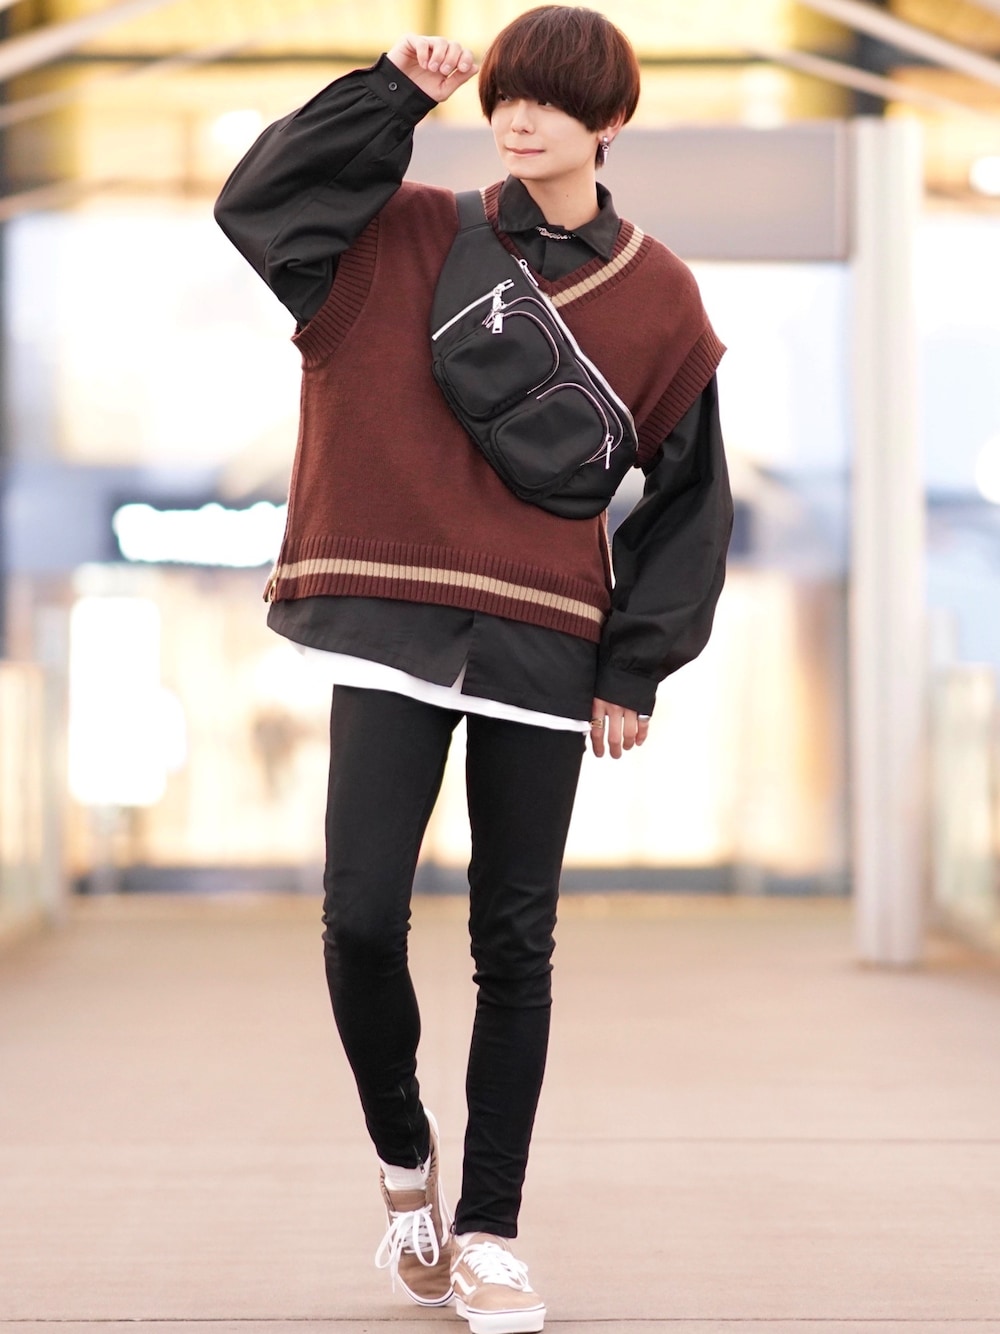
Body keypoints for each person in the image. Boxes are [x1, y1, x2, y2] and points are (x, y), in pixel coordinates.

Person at [215, 7, 731, 1332]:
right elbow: (258, 204)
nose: (520, 117)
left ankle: (492, 1232)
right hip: (388, 616)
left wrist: (638, 666)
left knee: (515, 940)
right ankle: (408, 1170)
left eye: (552, 100)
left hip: (544, 639)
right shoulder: (400, 234)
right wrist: (390, 96)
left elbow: (688, 497)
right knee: (357, 918)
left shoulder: (662, 296)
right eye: (507, 94)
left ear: (610, 123)